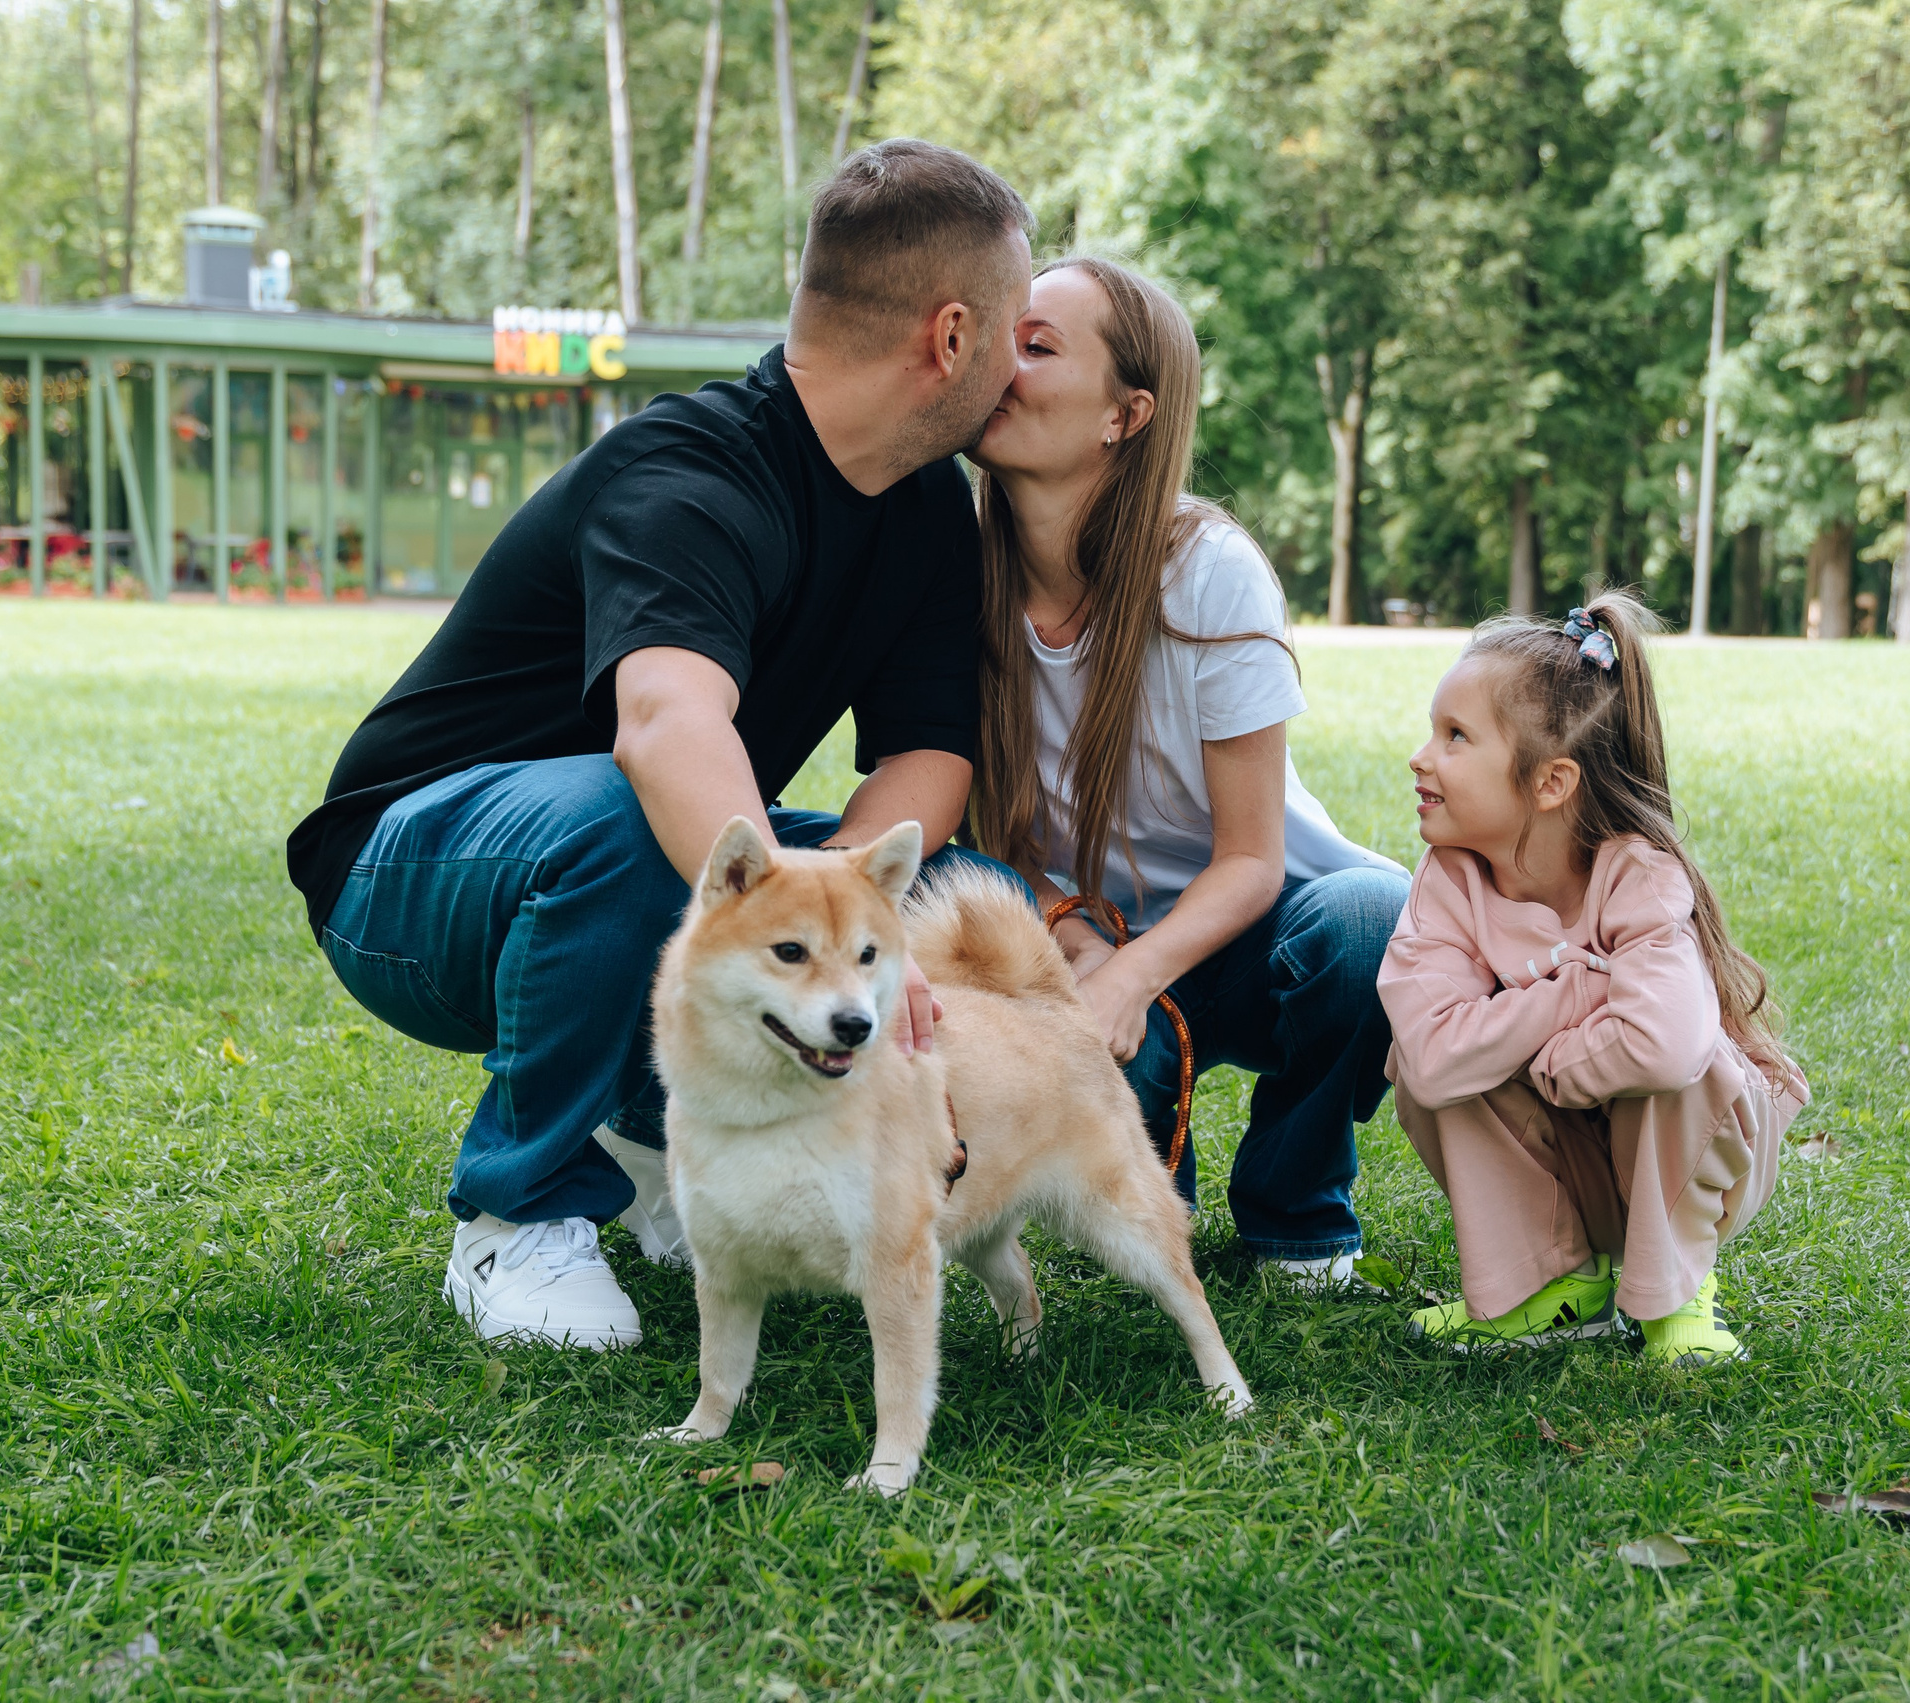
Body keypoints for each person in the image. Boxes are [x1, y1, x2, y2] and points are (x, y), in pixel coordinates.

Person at [283, 141, 1037, 1350]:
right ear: (951, 338)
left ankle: (651, 1139)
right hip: (406, 880)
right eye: (1017, 328)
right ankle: (513, 1212)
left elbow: (929, 750)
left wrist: (858, 940)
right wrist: (816, 943)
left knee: (969, 889)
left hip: (622, 860)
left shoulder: (926, 505)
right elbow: (664, 725)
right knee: (633, 820)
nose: (1018, 362)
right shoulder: (686, 470)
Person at [961, 257, 1408, 1285]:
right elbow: (977, 841)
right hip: (1076, 930)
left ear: (1125, 414)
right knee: (1121, 1232)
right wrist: (1072, 941)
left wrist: (1128, 977)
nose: (1001, 368)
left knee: (1368, 916)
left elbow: (1252, 861)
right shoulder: (952, 570)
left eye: (1036, 347)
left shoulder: (1206, 568)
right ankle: (1137, 1164)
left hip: (1255, 936)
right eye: (999, 340)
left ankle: (1297, 1207)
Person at [1376, 599, 1807, 1361]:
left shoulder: (1637, 873)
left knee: (1690, 1063)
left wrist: (1542, 1058)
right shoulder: (1446, 880)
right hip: (1572, 1146)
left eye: (1455, 737)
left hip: (1688, 1151)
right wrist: (1576, 992)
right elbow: (1433, 1058)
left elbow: (1667, 1047)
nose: (1421, 755)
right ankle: (1553, 1285)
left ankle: (1677, 1290)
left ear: (1550, 782)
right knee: (1419, 1067)